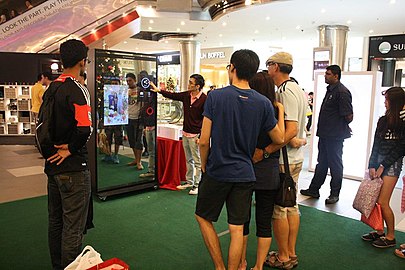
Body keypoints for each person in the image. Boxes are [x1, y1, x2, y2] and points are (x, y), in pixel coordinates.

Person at [195, 49, 285, 270]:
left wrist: (204, 165)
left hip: (217, 170)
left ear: (232, 68)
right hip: (245, 173)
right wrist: (280, 111)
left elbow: (204, 140)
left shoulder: (216, 96)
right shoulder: (264, 103)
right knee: (237, 229)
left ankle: (220, 267)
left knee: (203, 217)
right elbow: (280, 138)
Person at [253, 52, 307, 269]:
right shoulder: (298, 89)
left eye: (268, 65)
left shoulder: (284, 92)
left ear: (275, 66)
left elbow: (290, 130)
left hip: (284, 160)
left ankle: (284, 256)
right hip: (294, 158)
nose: (267, 69)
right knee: (291, 205)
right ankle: (290, 253)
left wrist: (266, 150)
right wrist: (296, 140)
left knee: (279, 210)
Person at [42, 39, 92, 269]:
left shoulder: (51, 88)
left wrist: (55, 151)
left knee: (56, 223)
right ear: (82, 61)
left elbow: (41, 127)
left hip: (53, 167)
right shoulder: (77, 89)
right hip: (73, 169)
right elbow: (85, 128)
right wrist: (70, 149)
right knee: (73, 228)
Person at [238, 71, 285, 270]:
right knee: (264, 220)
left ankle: (241, 263)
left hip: (244, 168)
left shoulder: (244, 107)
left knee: (242, 219)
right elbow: (280, 138)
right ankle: (258, 266)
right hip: (269, 170)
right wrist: (281, 111)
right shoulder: (274, 108)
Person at [300, 64, 353, 204]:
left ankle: (334, 193)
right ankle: (314, 189)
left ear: (336, 76)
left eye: (328, 74)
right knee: (322, 162)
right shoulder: (331, 90)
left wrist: (339, 126)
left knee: (335, 164)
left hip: (334, 136)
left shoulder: (341, 92)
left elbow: (349, 116)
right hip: (325, 135)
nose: (325, 76)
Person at [361, 87, 405, 248]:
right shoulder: (383, 120)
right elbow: (376, 144)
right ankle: (380, 231)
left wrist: (382, 165)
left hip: (392, 166)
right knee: (376, 200)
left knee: (382, 201)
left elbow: (400, 148)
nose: (385, 103)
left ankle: (391, 236)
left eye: (388, 100)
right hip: (379, 164)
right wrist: (372, 164)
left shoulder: (403, 121)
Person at [151, 74, 207, 195]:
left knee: (197, 161)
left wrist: (202, 136)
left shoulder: (204, 99)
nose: (189, 84)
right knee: (189, 159)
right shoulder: (187, 95)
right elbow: (173, 95)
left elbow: (206, 119)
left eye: (191, 83)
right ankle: (189, 181)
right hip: (185, 133)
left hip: (196, 135)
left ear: (197, 86)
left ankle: (197, 185)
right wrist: (159, 90)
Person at [126, 73, 145, 170]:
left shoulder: (139, 90)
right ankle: (136, 159)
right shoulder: (126, 91)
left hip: (138, 119)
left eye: (130, 80)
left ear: (134, 80)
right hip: (128, 118)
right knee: (131, 140)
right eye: (127, 81)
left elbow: (143, 103)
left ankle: (139, 161)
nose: (128, 82)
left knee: (139, 141)